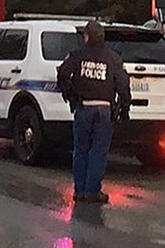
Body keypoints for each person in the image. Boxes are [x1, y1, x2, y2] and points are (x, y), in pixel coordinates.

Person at [55, 21, 131, 205]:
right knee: (99, 151)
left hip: (83, 108)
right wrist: (125, 107)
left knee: (81, 150)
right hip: (104, 109)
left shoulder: (78, 55)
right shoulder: (113, 58)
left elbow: (63, 74)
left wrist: (70, 94)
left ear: (87, 36)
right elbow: (122, 84)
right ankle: (92, 191)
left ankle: (79, 190)